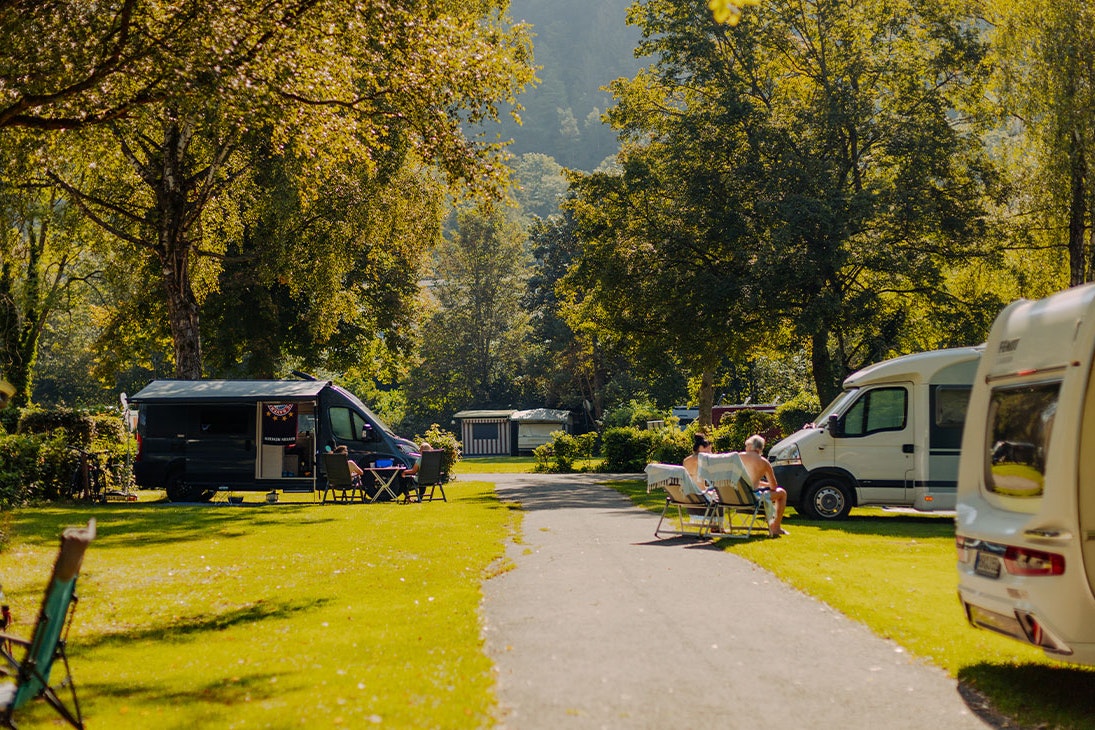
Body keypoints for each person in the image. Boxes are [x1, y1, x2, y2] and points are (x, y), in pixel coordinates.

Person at [739, 434, 789, 538]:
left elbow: (746, 481)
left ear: (750, 446)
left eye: (746, 445)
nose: (745, 448)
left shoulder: (738, 457)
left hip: (734, 496)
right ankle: (776, 527)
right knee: (782, 493)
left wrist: (760, 483)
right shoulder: (764, 462)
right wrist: (766, 485)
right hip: (752, 498)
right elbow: (774, 487)